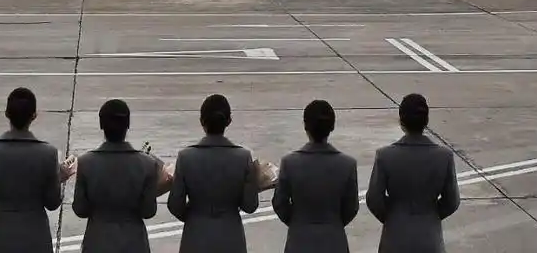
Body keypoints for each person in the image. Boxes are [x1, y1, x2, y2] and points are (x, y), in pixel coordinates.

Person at [0, 87, 63, 253]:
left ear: (7, 114)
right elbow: (52, 202)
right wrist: (58, 177)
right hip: (36, 237)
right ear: (34, 115)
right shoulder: (48, 154)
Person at [366, 93, 461, 253]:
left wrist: (393, 217)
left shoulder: (385, 156)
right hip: (429, 238)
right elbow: (452, 201)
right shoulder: (444, 157)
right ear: (426, 121)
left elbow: (374, 200)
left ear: (401, 121)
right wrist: (431, 215)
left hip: (395, 238)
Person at [167, 94, 258, 253]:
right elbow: (250, 205)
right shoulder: (243, 157)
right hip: (231, 237)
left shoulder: (186, 157)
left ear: (202, 121)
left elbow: (175, 205)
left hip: (195, 237)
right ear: (228, 121)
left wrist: (195, 216)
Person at [72, 98, 159, 253]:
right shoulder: (147, 164)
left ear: (101, 125)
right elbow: (148, 211)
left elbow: (80, 209)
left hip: (97, 242)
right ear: (128, 125)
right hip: (134, 243)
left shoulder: (86, 163)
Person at [272, 99, 359, 253]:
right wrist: (333, 223)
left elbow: (280, 203)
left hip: (299, 241)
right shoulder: (347, 164)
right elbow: (351, 208)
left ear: (306, 126)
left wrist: (298, 222)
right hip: (334, 241)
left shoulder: (289, 163)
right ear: (332, 126)